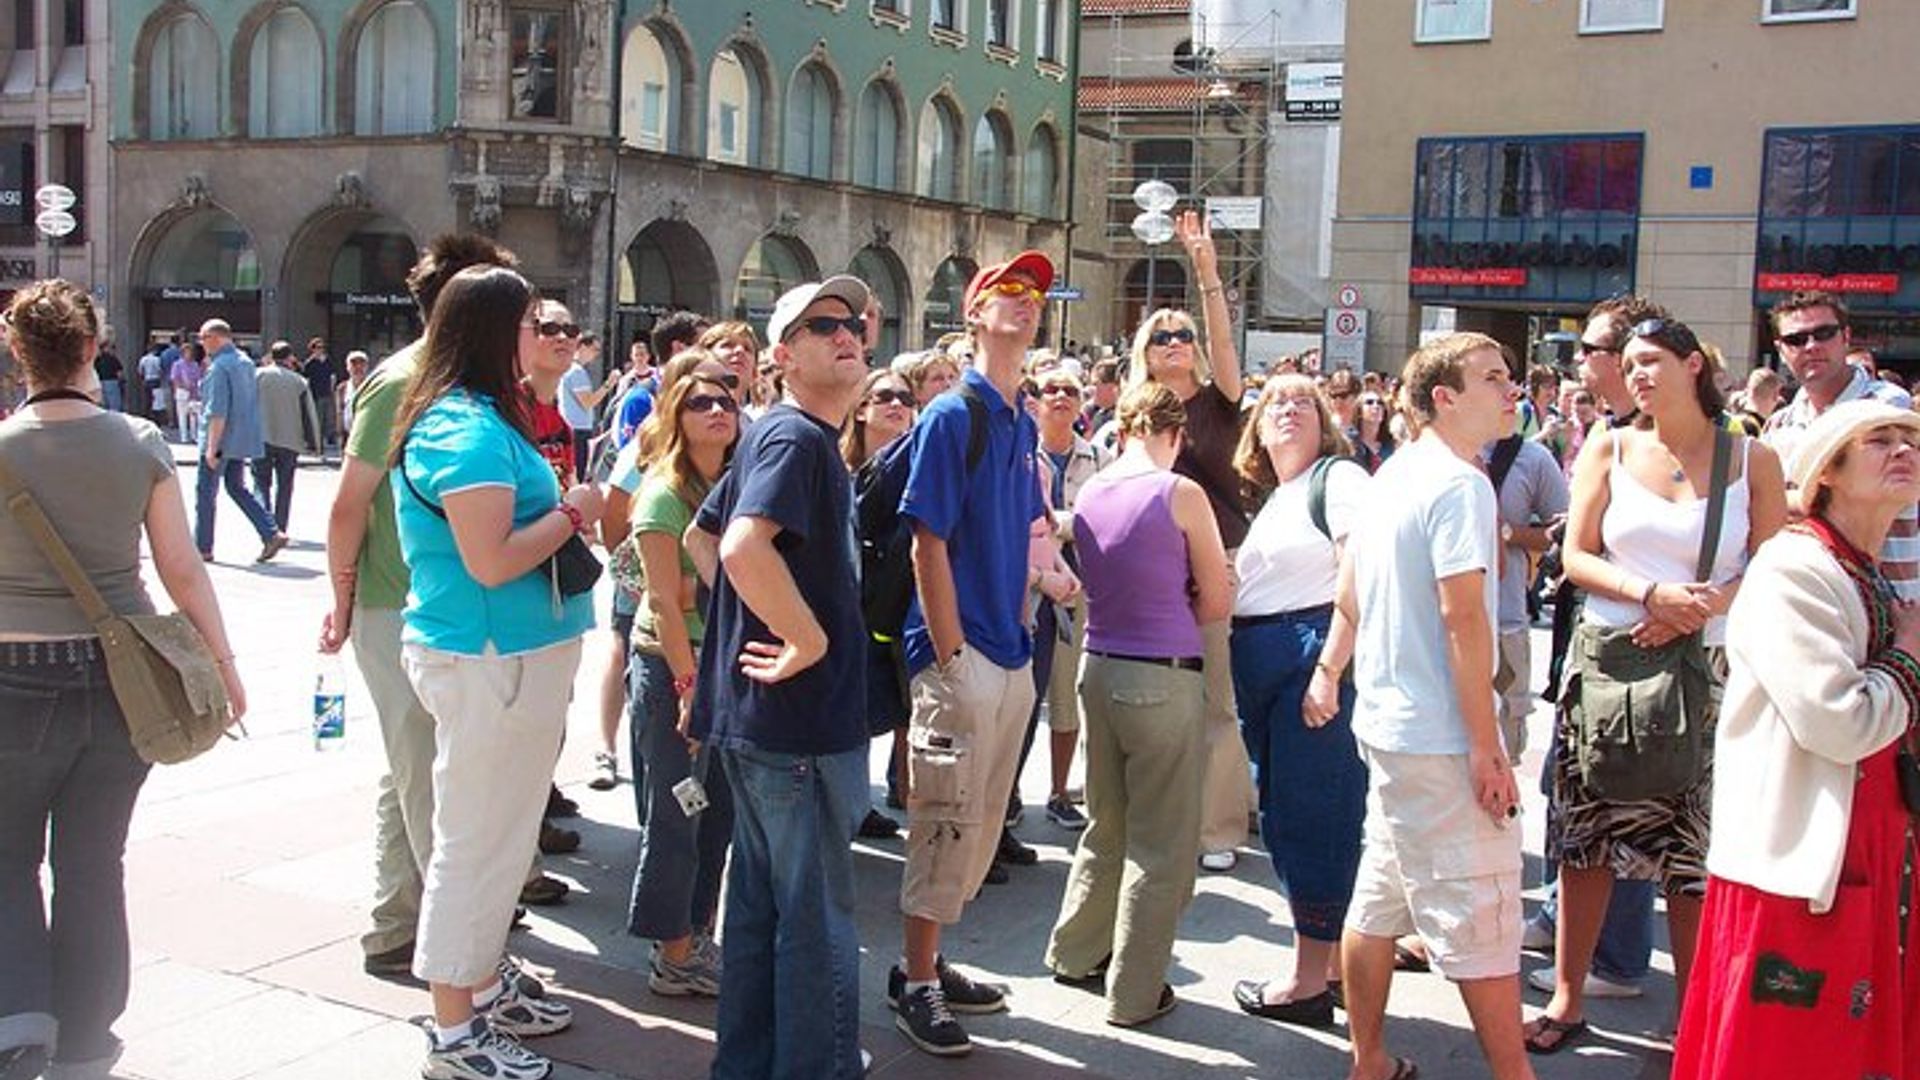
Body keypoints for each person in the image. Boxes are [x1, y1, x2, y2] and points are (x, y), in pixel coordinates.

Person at [0, 280, 244, 1079]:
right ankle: (89, 1037)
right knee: (93, 860)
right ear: (90, 348)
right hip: (120, 680)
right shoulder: (138, 441)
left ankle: (21, 1016)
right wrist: (223, 665)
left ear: (18, 355)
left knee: (5, 858)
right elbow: (182, 569)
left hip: (12, 676)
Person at [1530, 314, 1787, 1054]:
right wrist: (1652, 596)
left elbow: (1772, 562)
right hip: (1612, 662)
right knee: (1586, 837)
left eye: (1651, 361)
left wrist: (1699, 609)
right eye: (1629, 362)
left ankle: (1693, 1017)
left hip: (1707, 669)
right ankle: (1569, 998)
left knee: (1692, 853)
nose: (1637, 374)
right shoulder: (1607, 447)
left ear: (1693, 366)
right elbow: (1576, 556)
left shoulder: (1751, 459)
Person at [319, 234, 554, 986]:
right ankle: (460, 962)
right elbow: (348, 501)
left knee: (412, 770)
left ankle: (400, 927)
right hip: (405, 603)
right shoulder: (410, 383)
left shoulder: (465, 386)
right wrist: (343, 598)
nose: (539, 329)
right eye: (520, 313)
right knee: (431, 784)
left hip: (425, 602)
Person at [389, 264, 600, 1080]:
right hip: (487, 658)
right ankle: (454, 1030)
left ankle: (476, 987)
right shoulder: (464, 428)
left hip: (509, 656)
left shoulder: (478, 417)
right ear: (493, 331)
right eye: (531, 322)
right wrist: (573, 512)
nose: (548, 336)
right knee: (475, 844)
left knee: (499, 838)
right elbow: (491, 558)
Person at [1672, 399, 1920, 1080]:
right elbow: (1837, 722)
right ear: (1829, 471)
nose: (1903, 449)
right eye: (1879, 440)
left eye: (1910, 439)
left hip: (1863, 848)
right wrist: (1909, 656)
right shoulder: (1796, 568)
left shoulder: (1858, 568)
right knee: (1785, 1057)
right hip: (1801, 864)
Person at [683, 275, 874, 1080]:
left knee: (762, 913)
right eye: (824, 324)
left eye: (857, 322)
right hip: (796, 725)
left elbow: (703, 535)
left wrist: (751, 634)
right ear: (783, 356)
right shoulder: (795, 439)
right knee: (816, 923)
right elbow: (734, 546)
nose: (849, 334)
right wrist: (802, 637)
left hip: (762, 723)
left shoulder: (778, 435)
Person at [1337, 333, 1534, 1080]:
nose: (1508, 388)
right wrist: (1485, 745)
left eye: (1509, 376)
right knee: (1480, 914)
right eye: (1492, 377)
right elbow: (1464, 615)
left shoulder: (1390, 476)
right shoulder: (1458, 483)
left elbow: (1350, 593)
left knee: (1380, 899)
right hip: (1438, 733)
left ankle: (1370, 1061)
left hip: (1390, 725)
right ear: (1444, 398)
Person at [890, 252, 1052, 1058]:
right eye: (1009, 293)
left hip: (1007, 649)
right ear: (975, 310)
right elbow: (929, 540)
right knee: (945, 823)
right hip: (961, 656)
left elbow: (1023, 534)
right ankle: (917, 983)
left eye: (1035, 295)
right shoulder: (955, 414)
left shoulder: (1020, 419)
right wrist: (952, 654)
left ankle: (928, 961)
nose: (1026, 305)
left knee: (981, 826)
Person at [1044, 380, 1230, 1026]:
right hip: (1163, 672)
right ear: (1176, 435)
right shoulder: (1179, 491)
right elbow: (1217, 597)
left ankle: (1075, 951)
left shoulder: (1093, 491)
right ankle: (1134, 991)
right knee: (1163, 843)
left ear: (1122, 429)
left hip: (1099, 666)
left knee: (1107, 823)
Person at [1225, 374, 1369, 1030]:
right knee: (1289, 815)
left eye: (1302, 401)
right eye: (1274, 401)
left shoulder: (1336, 479)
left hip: (1305, 656)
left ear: (1325, 421)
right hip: (1270, 661)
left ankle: (1308, 983)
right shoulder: (1281, 496)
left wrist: (1329, 669)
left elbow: (1358, 572)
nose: (1286, 408)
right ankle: (1331, 968)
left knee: (1313, 818)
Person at [1127, 209, 1256, 873]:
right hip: (1145, 574)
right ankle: (1154, 821)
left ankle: (1218, 828)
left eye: (1182, 335)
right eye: (1161, 334)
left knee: (1215, 705)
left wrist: (1206, 271)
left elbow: (1226, 346)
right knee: (1149, 705)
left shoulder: (1218, 400)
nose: (1175, 341)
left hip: (1215, 563)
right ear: (1144, 352)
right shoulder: (1135, 416)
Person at [624, 368, 739, 998]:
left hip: (718, 662)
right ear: (675, 415)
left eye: (726, 400)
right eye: (700, 403)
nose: (717, 409)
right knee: (678, 810)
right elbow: (665, 603)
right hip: (675, 667)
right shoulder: (663, 495)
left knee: (714, 811)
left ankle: (697, 934)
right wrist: (690, 688)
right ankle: (671, 952)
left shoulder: (734, 481)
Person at [1762, 291, 1918, 599]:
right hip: (1812, 595)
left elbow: (1850, 498)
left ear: (1845, 337)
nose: (1811, 346)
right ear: (1780, 349)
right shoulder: (1778, 424)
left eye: (1824, 333)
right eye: (1796, 340)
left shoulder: (1886, 405)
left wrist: (1779, 500)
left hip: (1894, 600)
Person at [1022, 366, 1110, 830]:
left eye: (1070, 391)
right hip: (1024, 584)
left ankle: (1058, 792)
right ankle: (1010, 791)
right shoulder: (1018, 453)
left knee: (1065, 694)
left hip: (1077, 590)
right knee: (1020, 694)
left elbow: (1106, 519)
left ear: (1082, 402)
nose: (1059, 397)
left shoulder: (1098, 459)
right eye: (1050, 389)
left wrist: (1060, 522)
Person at [842, 367, 919, 839]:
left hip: (898, 607)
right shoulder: (840, 467)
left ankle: (890, 796)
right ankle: (850, 803)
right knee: (853, 718)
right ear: (862, 408)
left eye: (906, 399)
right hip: (851, 608)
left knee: (899, 711)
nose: (897, 404)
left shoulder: (919, 469)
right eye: (884, 396)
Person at [194, 320, 288, 564]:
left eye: (203, 338)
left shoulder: (219, 367)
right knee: (236, 487)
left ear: (215, 337)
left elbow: (218, 411)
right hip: (241, 439)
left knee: (205, 492)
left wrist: (212, 448)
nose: (201, 344)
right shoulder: (245, 362)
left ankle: (202, 547)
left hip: (221, 439)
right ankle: (271, 532)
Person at [253, 341, 321, 535]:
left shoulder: (257, 376)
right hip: (290, 440)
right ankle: (280, 526)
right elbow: (309, 414)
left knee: (260, 483)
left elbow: (246, 405)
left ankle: (265, 527)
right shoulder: (299, 381)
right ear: (290, 357)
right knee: (285, 486)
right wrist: (314, 443)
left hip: (261, 437)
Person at [558, 332, 616, 481]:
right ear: (583, 346)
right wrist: (609, 384)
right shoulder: (577, 372)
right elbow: (588, 402)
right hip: (578, 429)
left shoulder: (571, 369)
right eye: (594, 349)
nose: (596, 354)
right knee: (579, 473)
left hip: (574, 427)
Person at [304, 337, 339, 453]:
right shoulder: (309, 363)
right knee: (317, 420)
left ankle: (329, 439)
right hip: (316, 394)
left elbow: (332, 376)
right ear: (312, 349)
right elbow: (306, 380)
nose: (320, 350)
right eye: (318, 348)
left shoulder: (328, 361)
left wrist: (332, 390)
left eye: (322, 348)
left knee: (329, 419)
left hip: (327, 393)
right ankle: (316, 444)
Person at [1350, 388, 1396, 473]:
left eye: (1380, 403)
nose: (1376, 406)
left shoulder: (1393, 445)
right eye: (1369, 402)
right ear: (1359, 411)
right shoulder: (1350, 444)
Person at [169, 343, 204, 445]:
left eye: (191, 352)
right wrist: (181, 387)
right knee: (182, 415)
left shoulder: (195, 364)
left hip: (193, 391)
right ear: (183, 353)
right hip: (182, 391)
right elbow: (174, 379)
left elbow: (198, 378)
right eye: (187, 352)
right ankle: (184, 437)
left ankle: (194, 436)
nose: (189, 354)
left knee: (194, 415)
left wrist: (197, 391)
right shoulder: (177, 364)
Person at [338, 350, 371, 441]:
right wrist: (339, 433)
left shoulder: (372, 386)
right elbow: (339, 411)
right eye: (354, 364)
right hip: (347, 435)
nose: (358, 367)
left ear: (367, 367)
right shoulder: (342, 388)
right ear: (348, 367)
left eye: (362, 364)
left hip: (367, 435)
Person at [93, 338, 122, 412]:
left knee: (103, 405)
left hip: (101, 382)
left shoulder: (97, 360)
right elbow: (119, 373)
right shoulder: (113, 359)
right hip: (112, 382)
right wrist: (121, 382)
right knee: (114, 404)